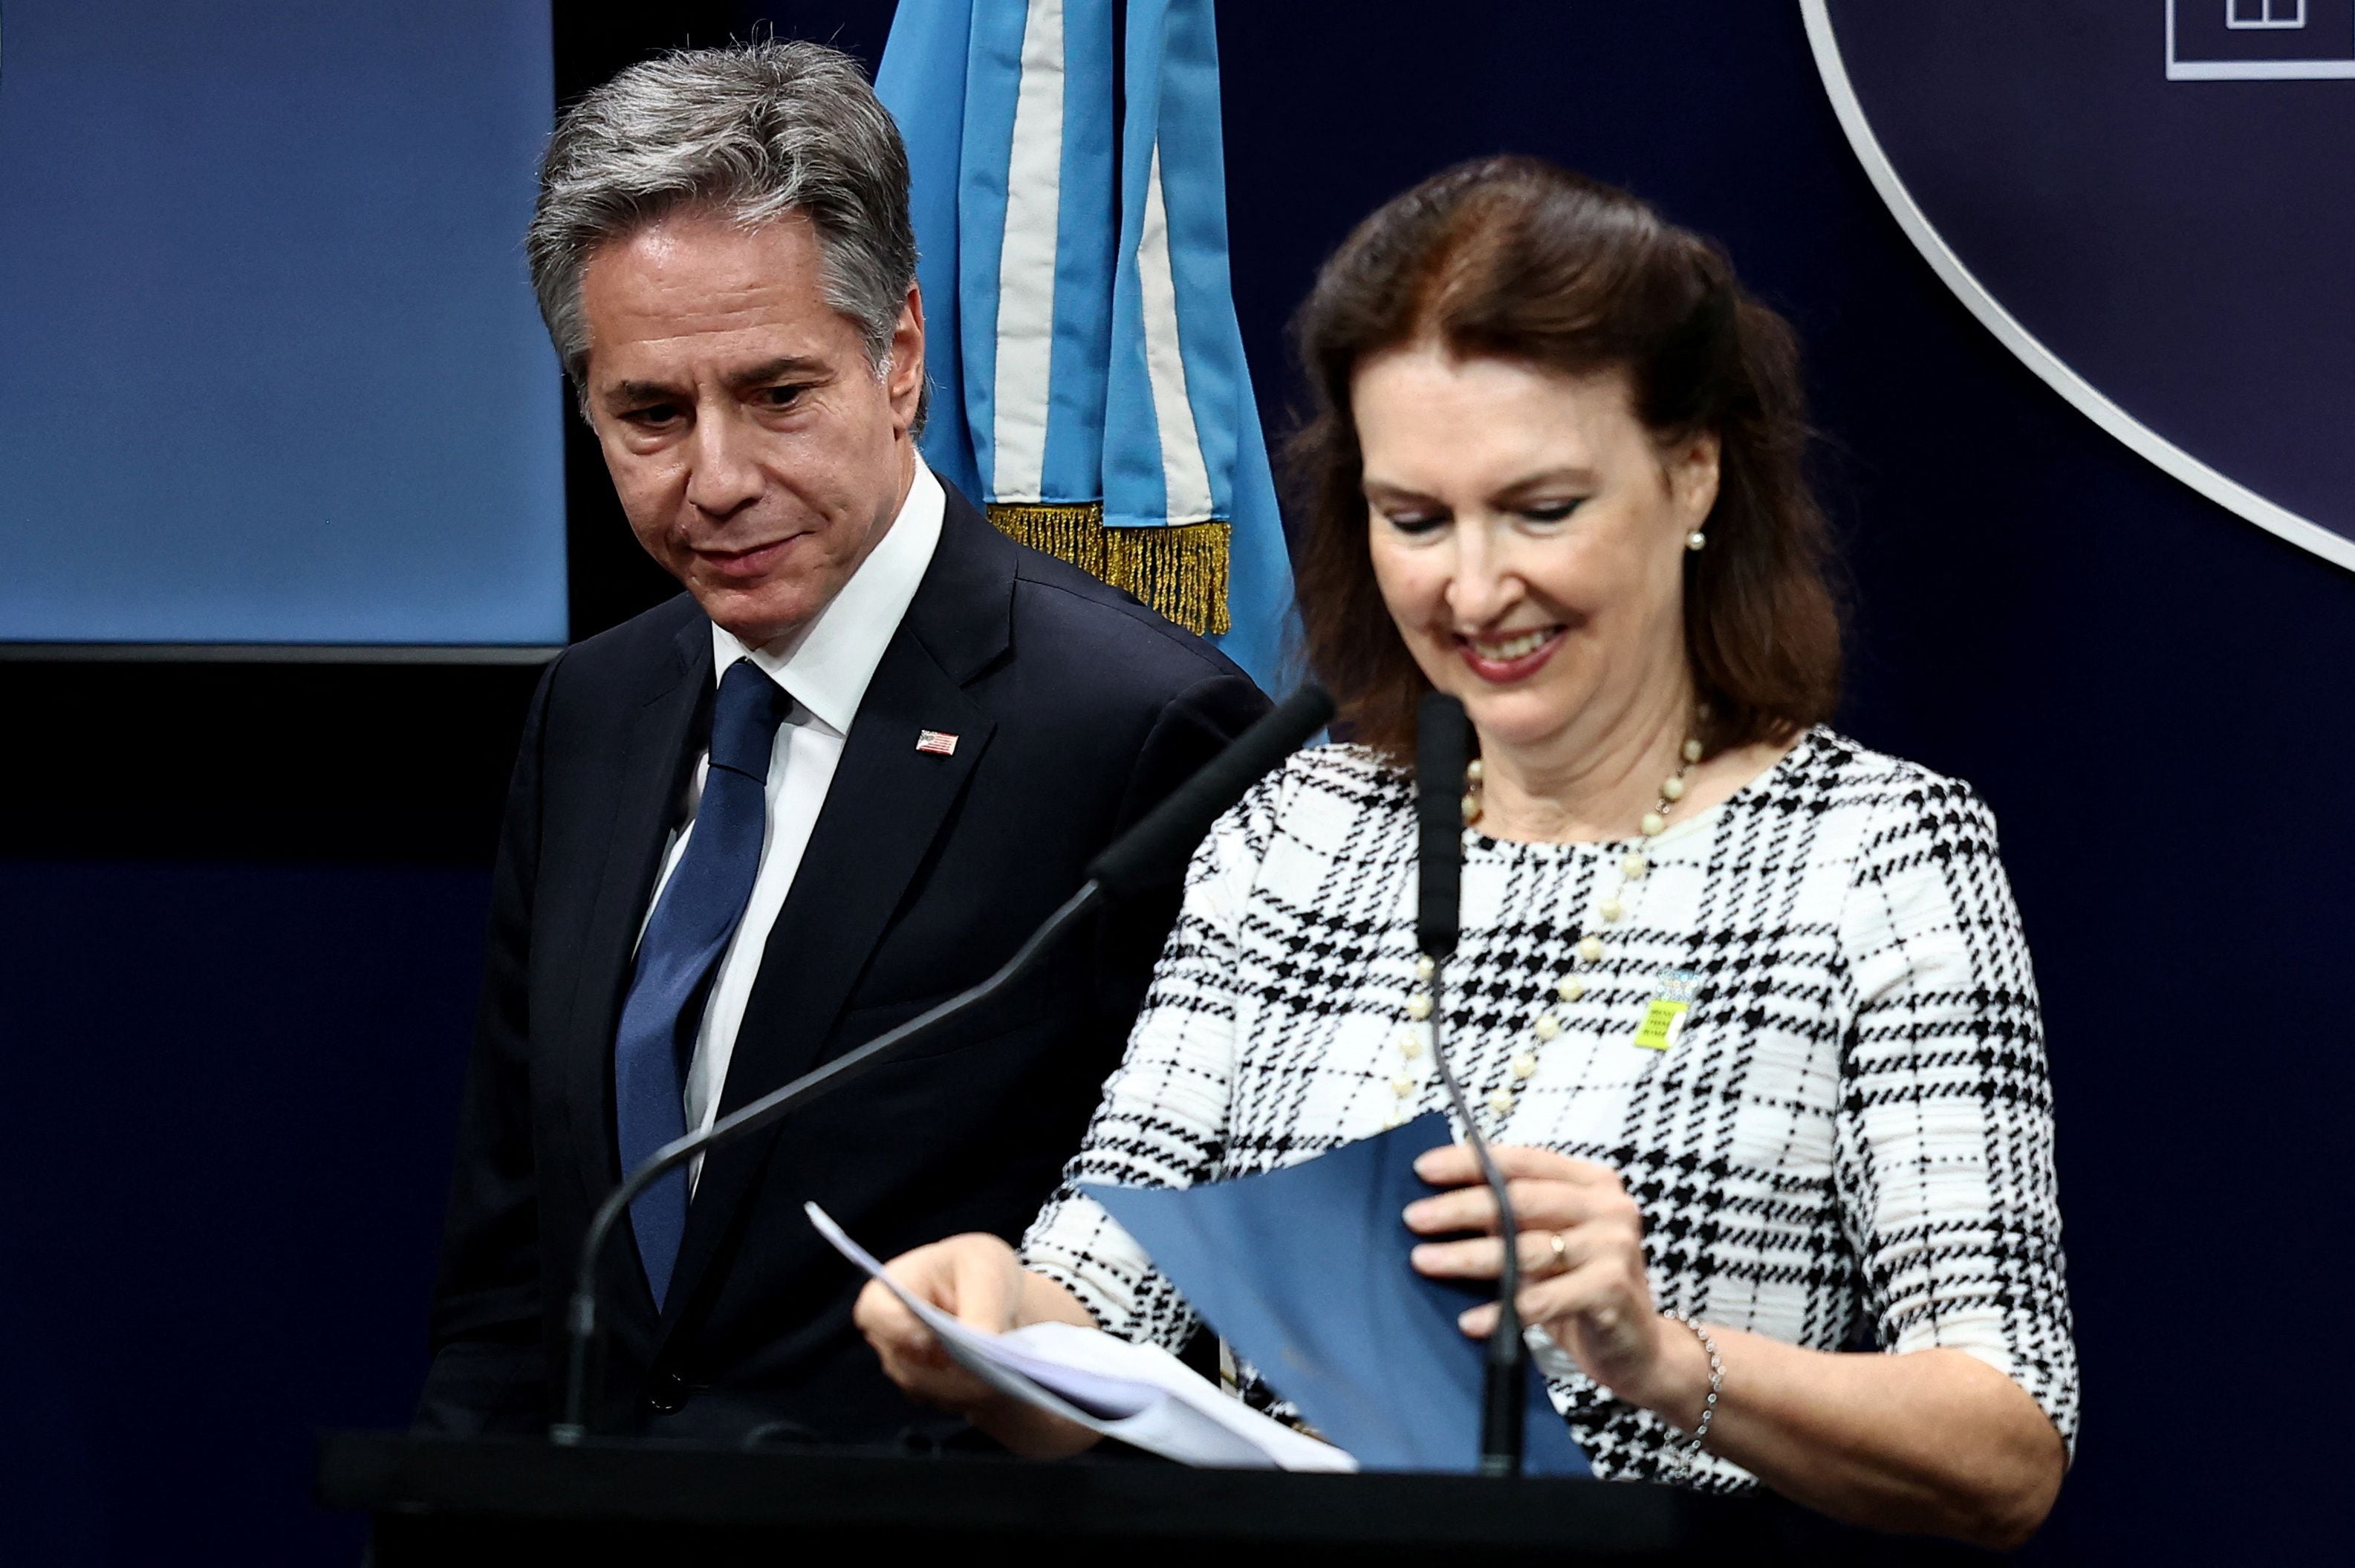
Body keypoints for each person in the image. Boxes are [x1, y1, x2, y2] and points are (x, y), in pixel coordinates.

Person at [854, 158, 2077, 1548]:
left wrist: (1663, 1359)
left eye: (1540, 510)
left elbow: (2005, 1442)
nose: (1473, 589)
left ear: (1692, 474)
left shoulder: (1872, 857)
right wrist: (987, 1317)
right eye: (1414, 520)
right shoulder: (1292, 835)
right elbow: (1097, 1318)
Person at [417, 41, 1268, 1442]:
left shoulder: (1138, 732)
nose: (718, 478)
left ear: (900, 359)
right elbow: (514, 1271)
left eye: (777, 393)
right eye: (648, 414)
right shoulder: (595, 711)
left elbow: (1173, 1309)